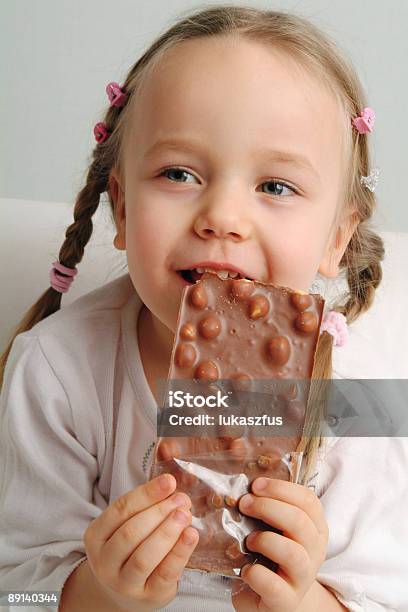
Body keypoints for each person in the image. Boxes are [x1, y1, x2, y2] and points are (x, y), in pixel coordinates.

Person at [0, 4, 406, 611]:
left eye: (276, 186)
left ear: (337, 239)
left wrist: (306, 602)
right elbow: (16, 593)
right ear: (123, 207)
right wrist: (100, 594)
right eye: (179, 173)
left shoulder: (360, 399)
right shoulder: (59, 373)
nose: (221, 216)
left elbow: (388, 594)